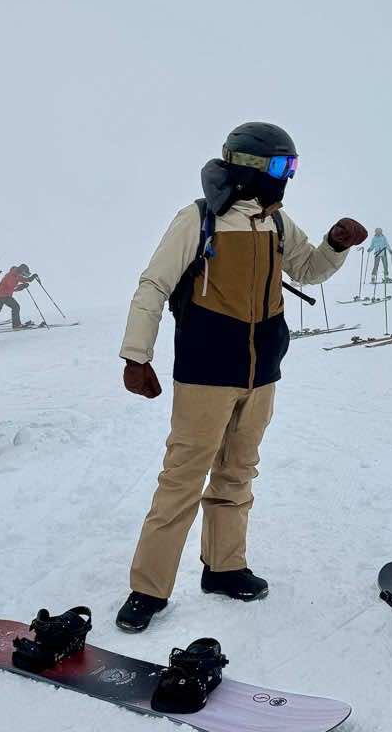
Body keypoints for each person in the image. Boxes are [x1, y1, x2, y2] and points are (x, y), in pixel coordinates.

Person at [115, 121, 367, 632]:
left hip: (260, 374)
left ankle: (224, 568)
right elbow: (154, 285)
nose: (287, 177)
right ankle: (149, 588)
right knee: (182, 479)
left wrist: (335, 245)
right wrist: (135, 355)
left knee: (237, 472)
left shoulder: (275, 222)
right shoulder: (200, 219)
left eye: (291, 167)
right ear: (250, 167)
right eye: (281, 166)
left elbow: (309, 269)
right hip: (205, 374)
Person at [0, 263, 39, 329]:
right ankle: (16, 325)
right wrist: (22, 286)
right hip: (4, 295)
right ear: (22, 270)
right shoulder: (11, 276)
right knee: (16, 307)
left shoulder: (16, 274)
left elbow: (25, 279)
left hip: (1, 295)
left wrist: (32, 277)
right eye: (24, 273)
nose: (24, 274)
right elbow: (12, 288)